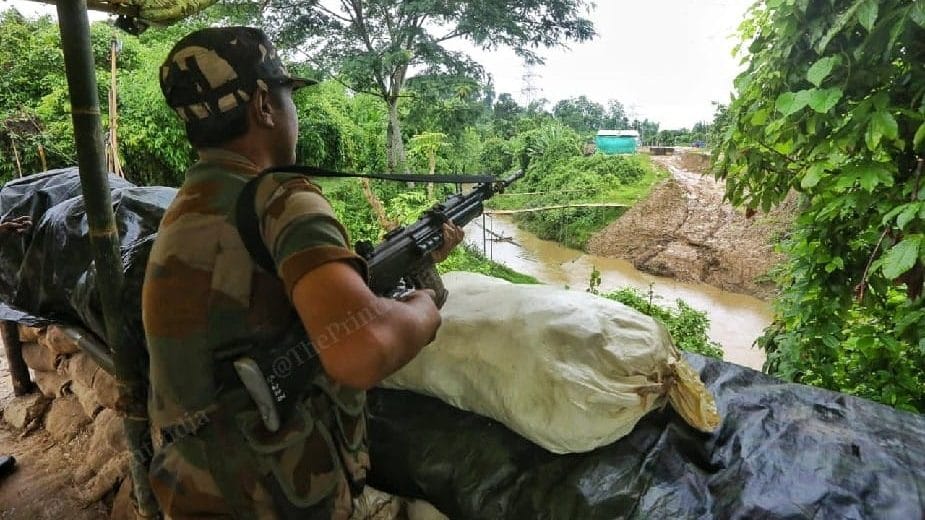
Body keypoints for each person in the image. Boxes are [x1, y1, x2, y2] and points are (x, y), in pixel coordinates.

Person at [142, 27, 463, 518]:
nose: (294, 114)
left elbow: (263, 307)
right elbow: (360, 350)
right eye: (289, 97)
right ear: (264, 106)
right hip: (269, 490)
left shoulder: (190, 205)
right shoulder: (282, 197)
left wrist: (401, 262)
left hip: (192, 480)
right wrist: (423, 309)